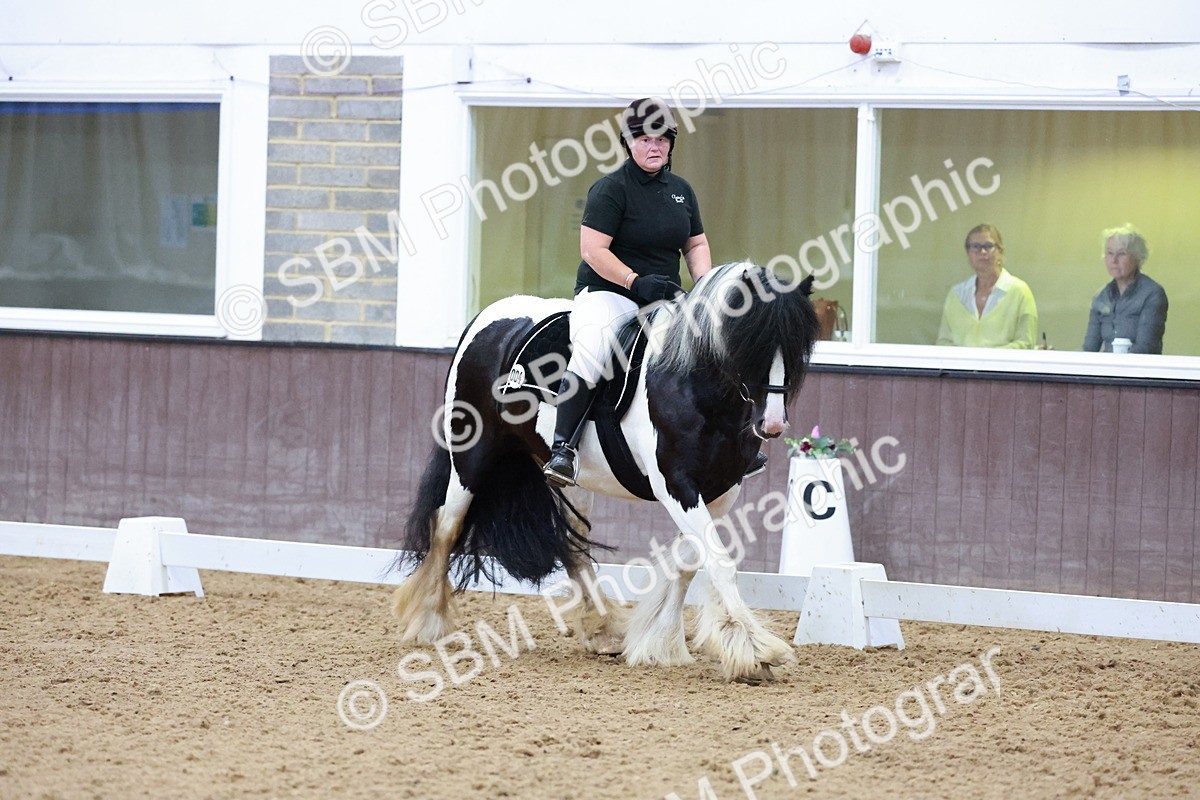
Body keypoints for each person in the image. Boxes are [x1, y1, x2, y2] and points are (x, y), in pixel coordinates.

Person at [542, 97, 718, 487]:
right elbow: (592, 250)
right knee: (593, 348)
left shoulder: (681, 191)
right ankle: (563, 449)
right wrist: (634, 282)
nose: (653, 146)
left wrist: (702, 287)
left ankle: (729, 443)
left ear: (671, 144)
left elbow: (695, 245)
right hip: (610, 292)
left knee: (713, 345)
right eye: (644, 139)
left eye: (662, 139)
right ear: (628, 143)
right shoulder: (611, 189)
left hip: (665, 298)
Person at [936, 224, 1038, 349]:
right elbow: (943, 342)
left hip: (1004, 368)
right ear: (968, 254)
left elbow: (1026, 344)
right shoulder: (957, 294)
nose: (982, 252)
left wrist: (985, 359)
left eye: (988, 246)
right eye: (975, 247)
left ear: (1001, 252)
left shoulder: (1020, 292)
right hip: (961, 368)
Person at [1082, 224, 1167, 354]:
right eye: (1109, 253)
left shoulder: (1152, 294)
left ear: (1137, 257)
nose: (1114, 260)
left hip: (1139, 371)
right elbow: (1089, 348)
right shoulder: (1101, 297)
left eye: (1121, 253)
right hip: (1108, 371)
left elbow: (1145, 347)